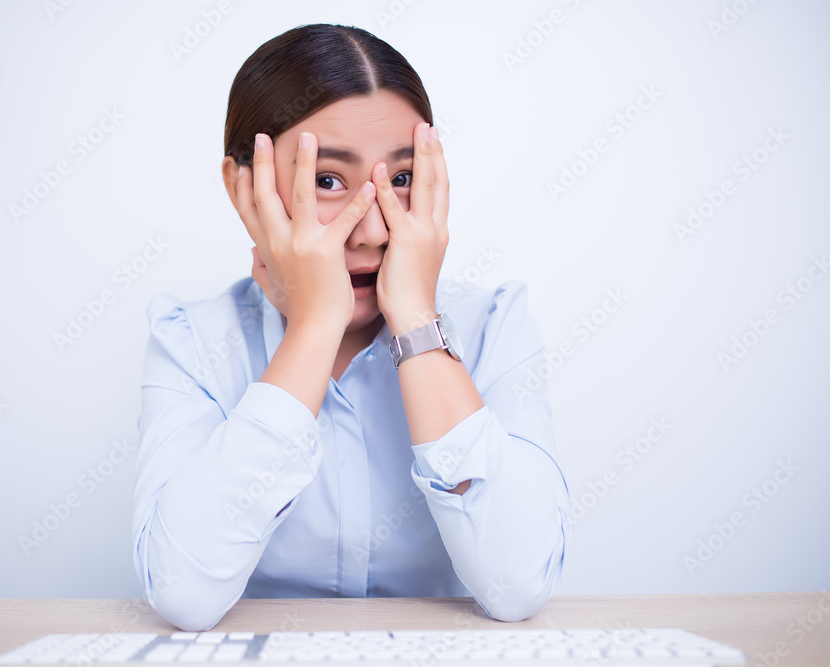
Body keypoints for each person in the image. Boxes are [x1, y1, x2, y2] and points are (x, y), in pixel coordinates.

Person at [132, 23, 571, 632]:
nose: (373, 231)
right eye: (328, 181)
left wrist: (417, 322)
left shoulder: (492, 325)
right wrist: (314, 326)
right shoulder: (193, 343)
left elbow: (519, 585)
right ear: (243, 188)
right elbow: (183, 594)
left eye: (401, 179)